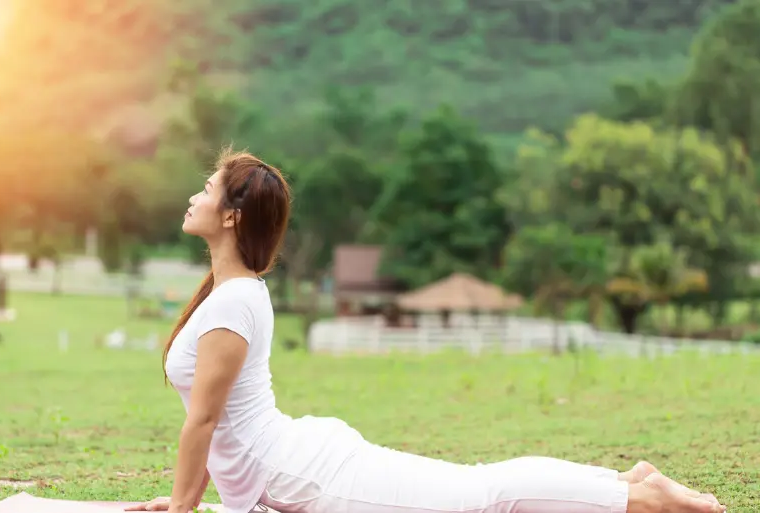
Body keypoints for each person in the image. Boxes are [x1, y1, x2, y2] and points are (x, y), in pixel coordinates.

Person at [126, 149, 726, 513]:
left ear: (231, 215)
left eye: (205, 189)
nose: (192, 195)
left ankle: (638, 497)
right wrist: (186, 500)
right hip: (293, 463)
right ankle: (629, 482)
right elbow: (218, 424)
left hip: (303, 475)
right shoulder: (231, 295)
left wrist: (183, 507)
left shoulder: (233, 303)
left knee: (481, 498)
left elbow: (204, 423)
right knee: (479, 490)